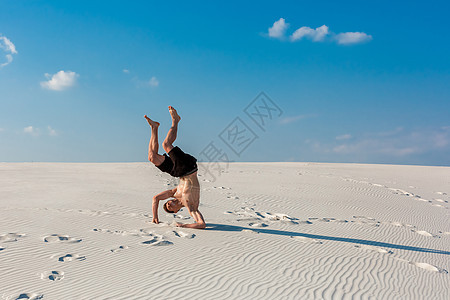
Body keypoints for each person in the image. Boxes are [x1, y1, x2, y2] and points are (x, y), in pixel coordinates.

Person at [144, 106, 206, 229]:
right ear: (176, 211)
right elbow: (201, 224)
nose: (170, 203)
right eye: (170, 207)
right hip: (188, 167)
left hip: (179, 172)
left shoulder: (174, 193)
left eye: (167, 203)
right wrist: (184, 225)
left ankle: (154, 127)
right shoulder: (191, 206)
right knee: (166, 144)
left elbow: (156, 198)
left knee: (152, 157)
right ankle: (176, 120)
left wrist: (155, 216)